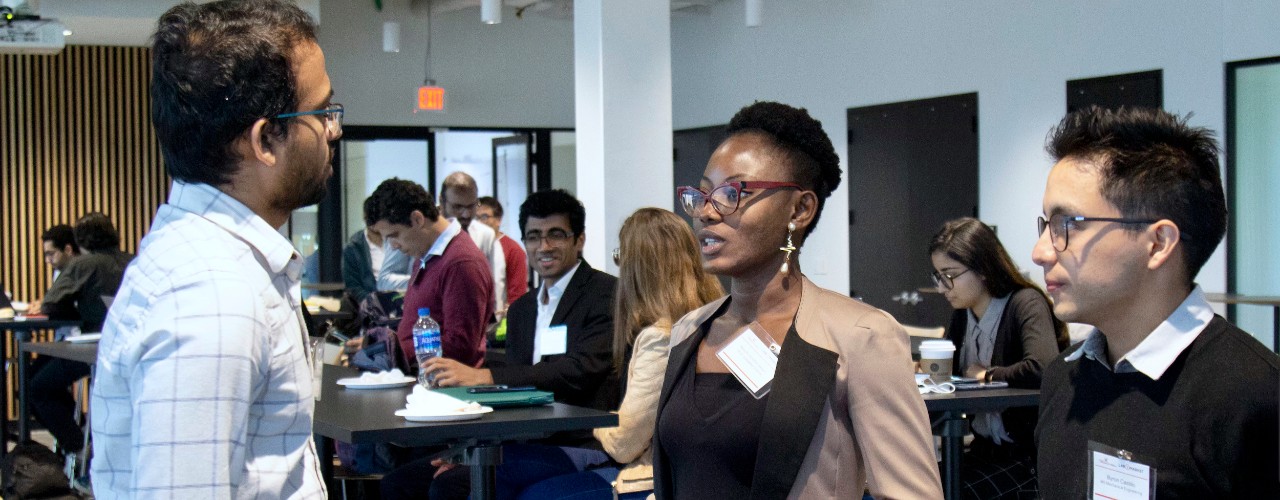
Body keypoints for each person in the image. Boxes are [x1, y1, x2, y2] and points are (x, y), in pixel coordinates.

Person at [90, 1, 339, 496]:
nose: (334, 128)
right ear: (265, 140)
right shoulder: (211, 294)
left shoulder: (223, 265)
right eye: (321, 111)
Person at [652, 101, 943, 499]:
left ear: (800, 208)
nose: (706, 212)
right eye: (702, 195)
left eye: (731, 193)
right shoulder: (689, 332)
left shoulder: (860, 337)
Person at [1033, 106, 1279, 498]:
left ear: (1158, 243)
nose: (1041, 252)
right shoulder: (1064, 377)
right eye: (1046, 225)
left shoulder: (1254, 397)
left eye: (1069, 225)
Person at [383, 189, 618, 500]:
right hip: (518, 441)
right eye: (533, 237)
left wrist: (487, 376)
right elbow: (515, 389)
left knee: (449, 486)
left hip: (578, 442)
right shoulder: (523, 309)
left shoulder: (606, 294)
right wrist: (468, 448)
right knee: (399, 482)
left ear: (579, 240)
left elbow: (577, 371)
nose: (543, 247)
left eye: (555, 235)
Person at [489, 208, 724, 500]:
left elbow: (624, 442)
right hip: (674, 471)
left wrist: (603, 422)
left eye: (620, 256)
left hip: (649, 478)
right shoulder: (709, 322)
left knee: (527, 491)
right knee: (499, 471)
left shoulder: (659, 338)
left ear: (639, 268)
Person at [928, 217, 1064, 499]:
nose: (942, 288)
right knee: (914, 487)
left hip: (1024, 460)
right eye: (938, 276)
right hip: (981, 451)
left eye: (949, 275)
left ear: (983, 269)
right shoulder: (962, 315)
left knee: (945, 493)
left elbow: (1043, 367)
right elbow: (946, 374)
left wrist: (989, 374)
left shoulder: (1024, 302)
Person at [30, 213, 133, 467]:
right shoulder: (134, 261)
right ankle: (84, 436)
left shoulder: (84, 265)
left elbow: (51, 304)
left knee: (35, 387)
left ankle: (80, 446)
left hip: (93, 347)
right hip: (131, 349)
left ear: (80, 242)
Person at [365, 177, 494, 370]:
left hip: (444, 388)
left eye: (395, 235)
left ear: (417, 219)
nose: (393, 245)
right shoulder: (427, 254)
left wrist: (391, 351)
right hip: (421, 379)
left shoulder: (462, 263)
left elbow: (460, 347)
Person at [439, 172, 507, 317]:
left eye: (471, 206)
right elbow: (386, 279)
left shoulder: (485, 234)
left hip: (475, 323)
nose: (465, 214)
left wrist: (494, 319)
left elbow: (495, 281)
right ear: (441, 202)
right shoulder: (420, 229)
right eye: (457, 207)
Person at [343, 195, 412, 304]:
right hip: (372, 306)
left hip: (403, 298)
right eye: (369, 218)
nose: (373, 223)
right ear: (364, 217)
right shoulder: (354, 247)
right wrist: (374, 303)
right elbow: (353, 287)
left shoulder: (396, 239)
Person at [478, 195, 529, 308]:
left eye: (485, 217)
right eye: (476, 218)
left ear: (498, 220)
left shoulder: (513, 250)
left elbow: (517, 295)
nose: (479, 222)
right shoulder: (469, 246)